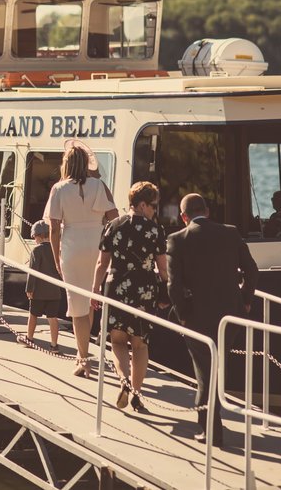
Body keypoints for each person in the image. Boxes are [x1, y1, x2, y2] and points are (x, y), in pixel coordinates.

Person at [166, 193, 258, 446]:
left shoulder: (177, 240)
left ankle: (210, 430)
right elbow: (251, 270)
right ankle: (211, 427)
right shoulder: (230, 233)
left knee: (204, 372)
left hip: (197, 316)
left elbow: (173, 286)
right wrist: (246, 302)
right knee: (216, 368)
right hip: (232, 314)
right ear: (207, 211)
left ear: (183, 217)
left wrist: (184, 315)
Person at [92, 181, 169, 413]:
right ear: (143, 204)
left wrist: (94, 290)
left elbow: (101, 263)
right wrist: (165, 290)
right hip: (144, 289)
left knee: (117, 341)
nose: (155, 211)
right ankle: (136, 393)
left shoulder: (113, 226)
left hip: (116, 287)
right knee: (140, 344)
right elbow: (163, 269)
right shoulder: (156, 231)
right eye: (153, 206)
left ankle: (123, 381)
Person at [45, 144, 118, 378]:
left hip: (72, 246)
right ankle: (83, 352)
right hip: (96, 245)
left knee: (77, 304)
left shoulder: (59, 189)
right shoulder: (100, 186)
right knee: (90, 298)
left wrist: (56, 256)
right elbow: (114, 218)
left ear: (66, 164)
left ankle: (83, 359)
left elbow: (54, 228)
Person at [21, 220, 62, 352]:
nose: (34, 240)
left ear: (38, 235)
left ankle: (29, 338)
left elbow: (33, 271)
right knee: (53, 318)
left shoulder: (37, 251)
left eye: (34, 237)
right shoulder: (57, 249)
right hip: (55, 291)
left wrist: (29, 289)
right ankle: (54, 345)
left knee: (33, 315)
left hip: (38, 291)